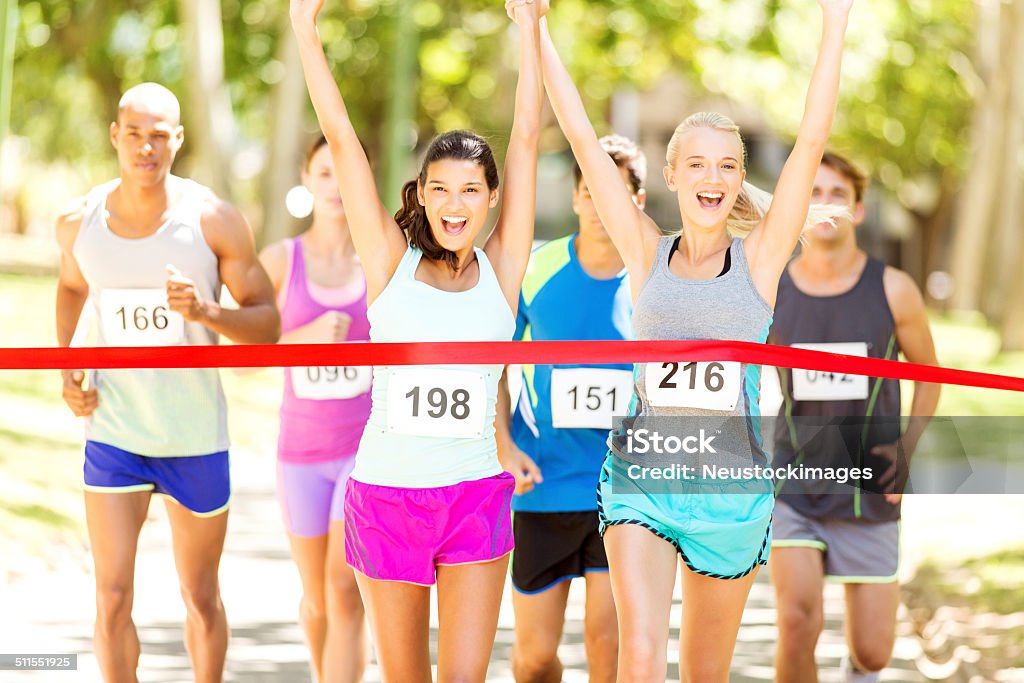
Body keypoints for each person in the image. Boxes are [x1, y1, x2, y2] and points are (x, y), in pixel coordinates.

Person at [522, 0, 854, 678]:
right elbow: (586, 141)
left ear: (738, 179)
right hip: (641, 481)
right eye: (696, 164)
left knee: (704, 670)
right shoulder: (645, 253)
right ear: (670, 175)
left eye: (726, 166)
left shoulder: (759, 261)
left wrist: (836, 23)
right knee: (638, 651)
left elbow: (812, 142)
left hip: (730, 494)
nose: (712, 177)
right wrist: (536, 27)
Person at [290, 0, 544, 679]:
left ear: (491, 197)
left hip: (474, 494)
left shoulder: (505, 266)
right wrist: (303, 30)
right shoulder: (388, 262)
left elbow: (524, 139)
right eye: (440, 189)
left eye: (470, 189)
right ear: (423, 196)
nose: (455, 204)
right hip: (387, 496)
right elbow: (342, 141)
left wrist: (532, 30)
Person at [54, 82, 280, 683]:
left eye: (159, 135)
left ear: (178, 139)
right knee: (110, 596)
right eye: (134, 133)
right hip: (115, 432)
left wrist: (206, 312)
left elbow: (268, 324)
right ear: (115, 136)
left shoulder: (212, 219)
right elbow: (74, 285)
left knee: (201, 597)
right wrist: (67, 365)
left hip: (194, 435)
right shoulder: (78, 221)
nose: (146, 147)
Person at [768, 152, 940, 683]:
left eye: (837, 195)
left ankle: (856, 667)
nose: (824, 205)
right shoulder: (769, 287)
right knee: (797, 622)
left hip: (869, 486)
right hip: (794, 483)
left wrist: (906, 448)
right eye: (812, 193)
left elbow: (929, 374)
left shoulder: (893, 289)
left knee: (873, 654)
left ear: (859, 211)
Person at [496, 134, 647, 683]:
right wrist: (503, 445)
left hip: (622, 493)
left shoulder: (653, 278)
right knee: (535, 658)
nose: (599, 203)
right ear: (578, 197)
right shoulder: (536, 266)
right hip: (543, 484)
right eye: (589, 190)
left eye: (613, 191)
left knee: (607, 645)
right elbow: (495, 364)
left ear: (637, 200)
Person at [257, 134, 370, 682]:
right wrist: (303, 335)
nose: (334, 186)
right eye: (324, 173)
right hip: (300, 455)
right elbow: (238, 356)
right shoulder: (280, 261)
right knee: (316, 599)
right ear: (306, 180)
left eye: (344, 173)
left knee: (344, 587)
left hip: (363, 453)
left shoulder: (381, 263)